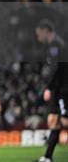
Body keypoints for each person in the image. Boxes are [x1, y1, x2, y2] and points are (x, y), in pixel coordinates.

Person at [34, 19, 67, 162]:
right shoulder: (53, 46)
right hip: (58, 88)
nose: (38, 37)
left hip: (62, 89)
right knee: (53, 121)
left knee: (63, 121)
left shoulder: (56, 46)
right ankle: (48, 157)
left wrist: (49, 88)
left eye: (39, 34)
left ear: (45, 31)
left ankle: (48, 157)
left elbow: (56, 69)